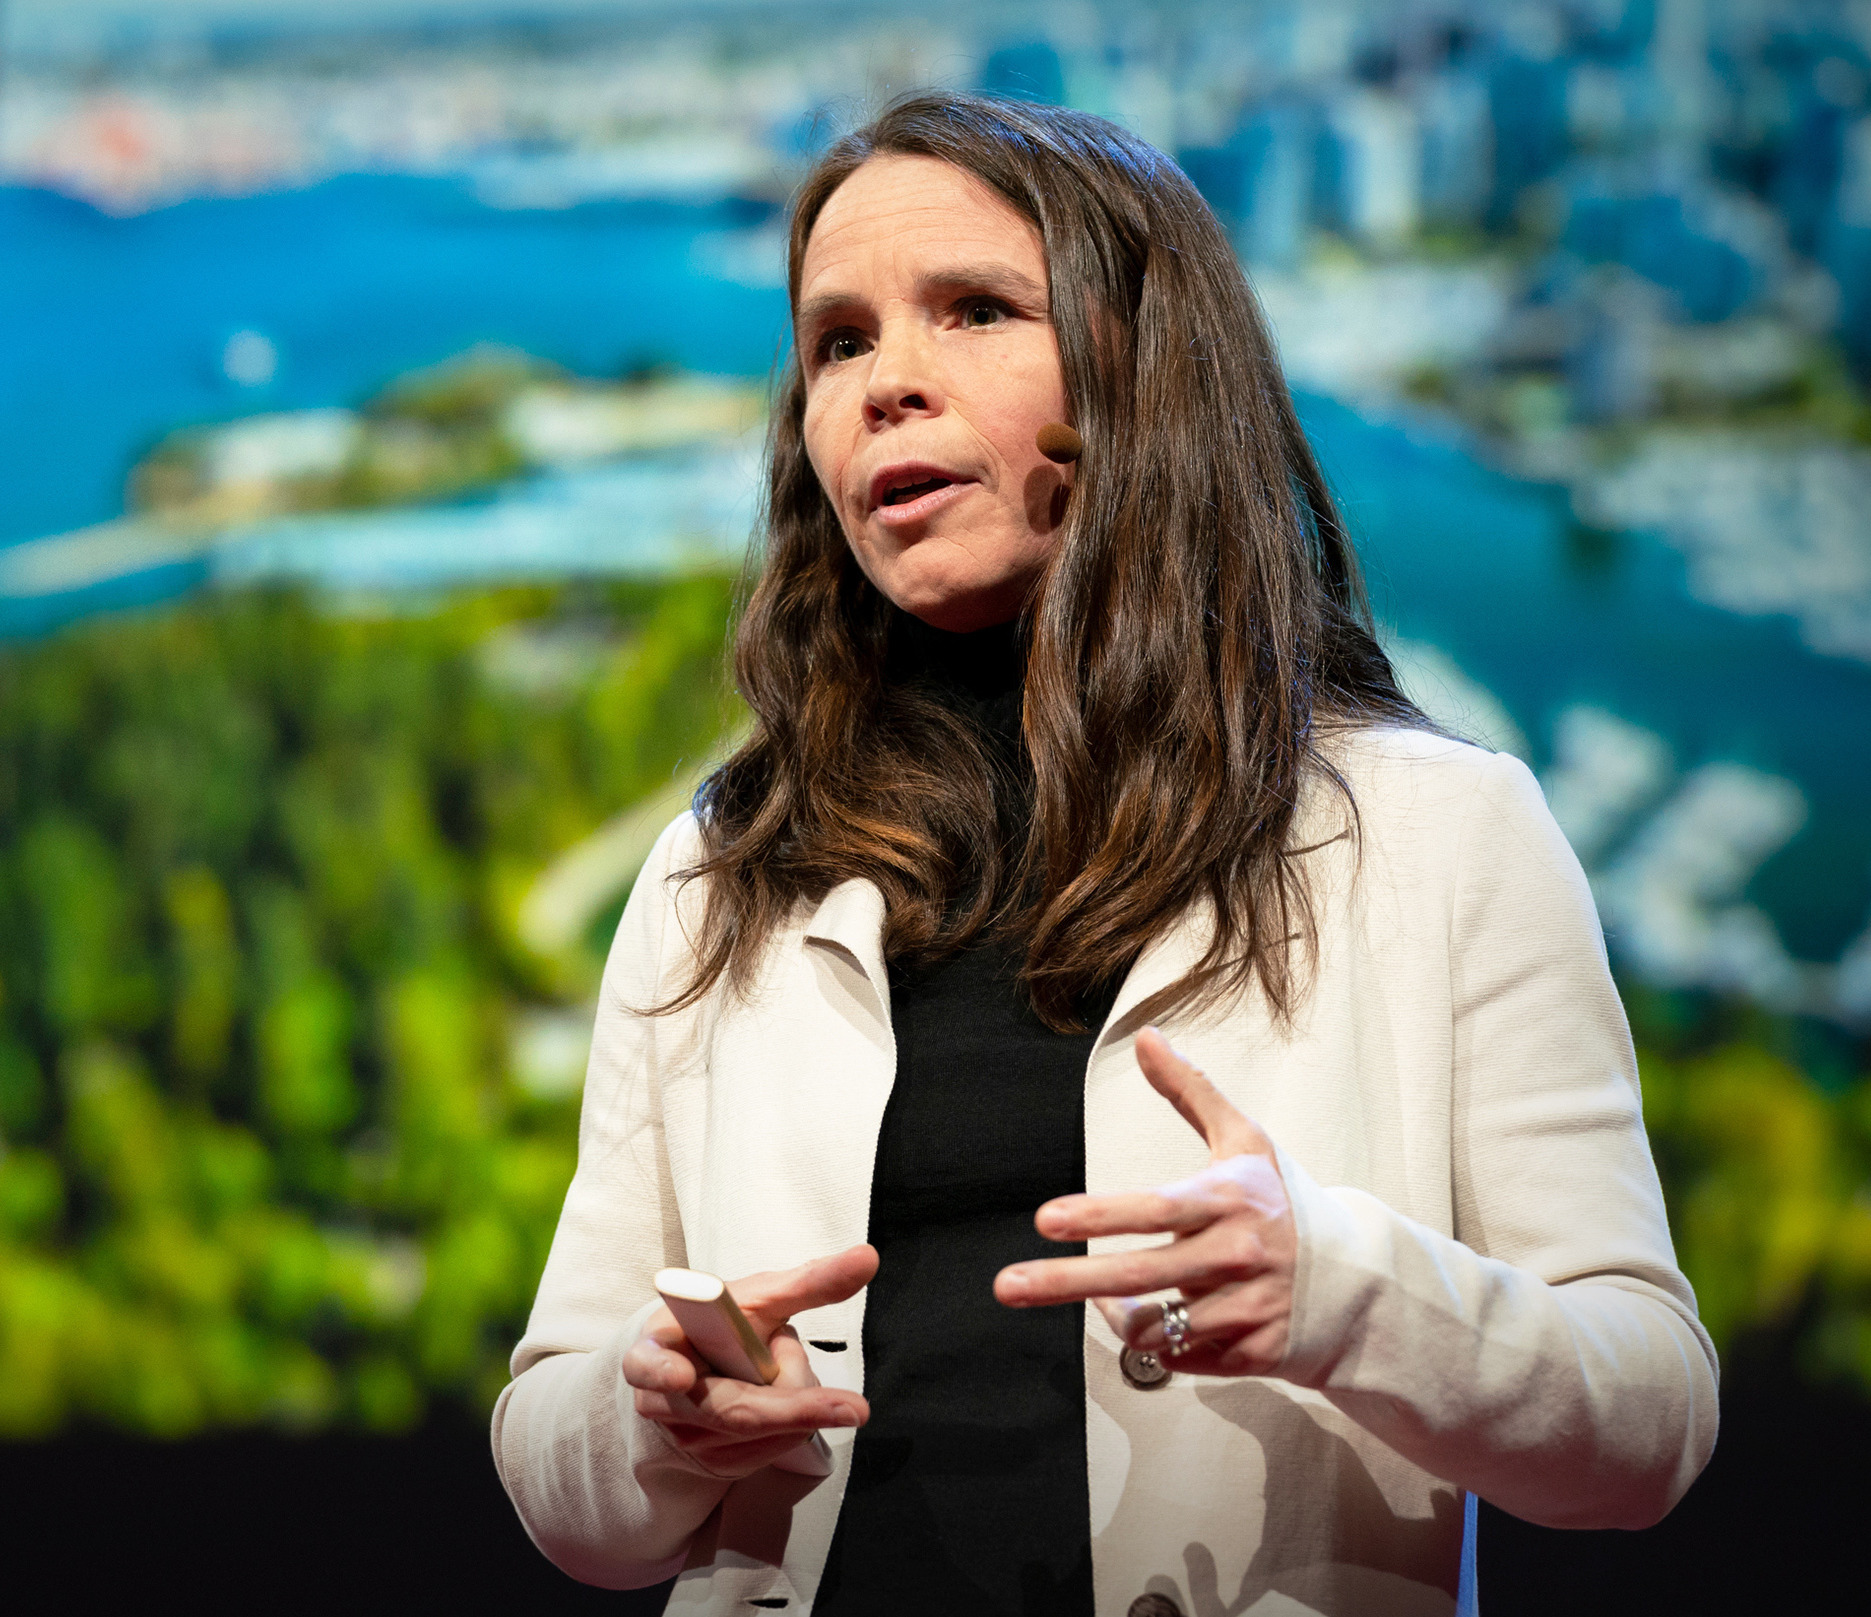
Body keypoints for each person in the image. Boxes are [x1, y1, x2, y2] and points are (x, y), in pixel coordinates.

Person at [491, 91, 1717, 1617]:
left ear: (1143, 373)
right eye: (837, 342)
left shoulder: (1438, 832)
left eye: (975, 311)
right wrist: (651, 1413)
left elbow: (1646, 1423)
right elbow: (560, 1476)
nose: (884, 386)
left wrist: (1345, 1293)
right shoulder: (720, 873)